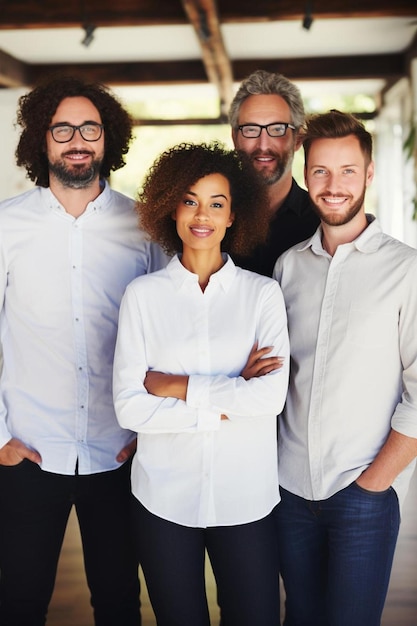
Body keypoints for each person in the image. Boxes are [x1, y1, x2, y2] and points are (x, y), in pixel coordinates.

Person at [0, 75, 167, 626]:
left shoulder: (146, 227)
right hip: (28, 452)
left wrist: (150, 430)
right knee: (18, 604)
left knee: (120, 604)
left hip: (119, 453)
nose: (77, 139)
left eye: (90, 128)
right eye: (63, 128)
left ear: (107, 137)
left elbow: (169, 336)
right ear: (41, 141)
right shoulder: (6, 225)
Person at [113, 142, 290, 626]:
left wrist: (173, 386)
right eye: (190, 200)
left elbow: (270, 398)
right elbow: (130, 408)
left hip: (246, 498)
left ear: (234, 216)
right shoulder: (142, 297)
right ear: (171, 206)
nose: (202, 215)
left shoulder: (263, 295)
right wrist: (231, 396)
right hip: (163, 499)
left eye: (216, 203)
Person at [273, 110, 417, 626]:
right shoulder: (288, 267)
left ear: (370, 174)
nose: (333, 186)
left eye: (348, 171)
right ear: (304, 174)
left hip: (363, 492)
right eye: (320, 171)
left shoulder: (406, 270)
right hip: (288, 491)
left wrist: (374, 483)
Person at [229, 69, 319, 276]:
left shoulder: (322, 222)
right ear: (235, 137)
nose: (263, 144)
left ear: (297, 139)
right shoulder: (209, 216)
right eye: (251, 129)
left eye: (278, 129)